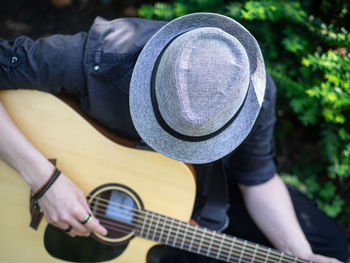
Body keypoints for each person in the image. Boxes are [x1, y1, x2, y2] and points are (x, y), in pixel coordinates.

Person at [0, 13, 348, 263]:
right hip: (46, 176)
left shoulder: (251, 94)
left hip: (201, 194)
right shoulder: (92, 59)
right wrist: (44, 180)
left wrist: (301, 255)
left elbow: (257, 178)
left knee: (334, 249)